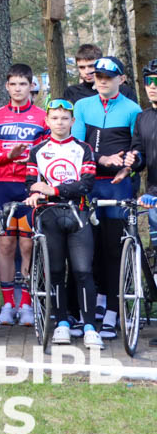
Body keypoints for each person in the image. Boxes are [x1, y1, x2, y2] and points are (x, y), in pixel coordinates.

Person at [72, 56, 142, 339]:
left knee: (114, 250)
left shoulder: (133, 109)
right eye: (98, 76)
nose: (102, 81)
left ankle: (113, 312)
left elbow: (138, 149)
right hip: (89, 184)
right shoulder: (82, 105)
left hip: (116, 186)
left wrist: (128, 166)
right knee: (87, 250)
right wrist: (102, 158)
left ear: (121, 80)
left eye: (108, 77)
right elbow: (77, 145)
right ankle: (89, 311)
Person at [25, 99, 103, 349]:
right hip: (49, 215)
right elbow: (31, 183)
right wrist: (36, 192)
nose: (59, 123)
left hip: (78, 213)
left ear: (72, 121)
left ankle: (89, 326)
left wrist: (53, 189)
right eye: (55, 118)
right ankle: (62, 323)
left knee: (83, 271)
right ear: (47, 121)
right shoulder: (37, 150)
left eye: (64, 118)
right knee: (56, 271)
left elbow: (86, 184)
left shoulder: (83, 148)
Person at [0, 63, 49, 327]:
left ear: (31, 86)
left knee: (27, 245)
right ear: (6, 86)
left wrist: (32, 162)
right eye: (13, 84)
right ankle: (7, 304)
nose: (18, 89)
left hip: (29, 186)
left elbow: (50, 154)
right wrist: (6, 156)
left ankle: (26, 304)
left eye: (23, 84)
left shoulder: (43, 117)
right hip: (2, 185)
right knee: (5, 244)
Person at [131, 59, 157, 253]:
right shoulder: (143, 117)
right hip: (153, 195)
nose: (152, 87)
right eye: (149, 81)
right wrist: (134, 159)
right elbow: (139, 154)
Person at [65, 43, 138, 104]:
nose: (87, 71)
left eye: (91, 66)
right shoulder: (72, 92)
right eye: (82, 67)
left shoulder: (124, 91)